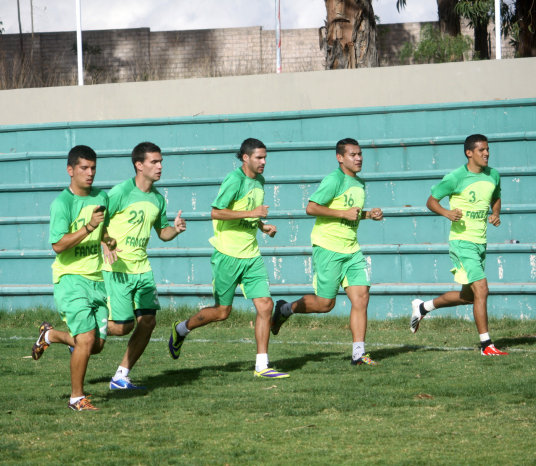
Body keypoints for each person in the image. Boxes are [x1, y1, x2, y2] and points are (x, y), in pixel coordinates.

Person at [169, 138, 289, 378]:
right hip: (228, 255)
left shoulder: (260, 181)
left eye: (265, 157)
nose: (264, 162)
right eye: (259, 157)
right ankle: (181, 329)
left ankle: (262, 366)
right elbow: (217, 212)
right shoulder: (234, 180)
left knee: (265, 305)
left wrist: (262, 226)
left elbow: (248, 214)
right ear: (245, 158)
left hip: (251, 255)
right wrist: (253, 213)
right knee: (223, 312)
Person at [270, 138, 383, 366]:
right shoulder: (334, 180)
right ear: (340, 158)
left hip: (351, 249)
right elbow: (311, 207)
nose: (359, 158)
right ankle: (285, 309)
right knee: (325, 304)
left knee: (361, 298)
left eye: (360, 154)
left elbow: (351, 212)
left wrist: (368, 215)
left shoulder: (360, 183)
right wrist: (343, 214)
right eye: (353, 154)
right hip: (328, 248)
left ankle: (358, 354)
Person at [32, 145, 118, 411]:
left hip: (96, 278)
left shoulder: (101, 196)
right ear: (70, 170)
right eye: (84, 168)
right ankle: (76, 398)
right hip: (70, 278)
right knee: (86, 339)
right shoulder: (62, 203)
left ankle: (49, 335)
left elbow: (101, 227)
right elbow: (58, 244)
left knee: (97, 345)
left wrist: (106, 239)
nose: (90, 173)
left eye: (93, 168)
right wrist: (89, 227)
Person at [410, 134, 508, 356]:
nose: (486, 153)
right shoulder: (455, 177)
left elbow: (496, 197)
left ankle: (423, 307)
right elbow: (431, 201)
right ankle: (486, 346)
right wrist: (446, 212)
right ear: (469, 152)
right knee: (482, 288)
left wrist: (495, 213)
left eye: (488, 149)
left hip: (480, 242)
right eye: (482, 150)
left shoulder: (493, 175)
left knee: (469, 296)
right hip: (462, 242)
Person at [102, 142, 187, 389]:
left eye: (161, 162)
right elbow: (97, 222)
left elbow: (163, 233)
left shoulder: (158, 198)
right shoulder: (120, 192)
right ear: (139, 165)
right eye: (154, 162)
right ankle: (82, 335)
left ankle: (120, 376)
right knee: (122, 327)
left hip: (142, 269)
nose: (160, 166)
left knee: (148, 322)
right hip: (117, 269)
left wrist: (176, 229)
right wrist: (106, 243)